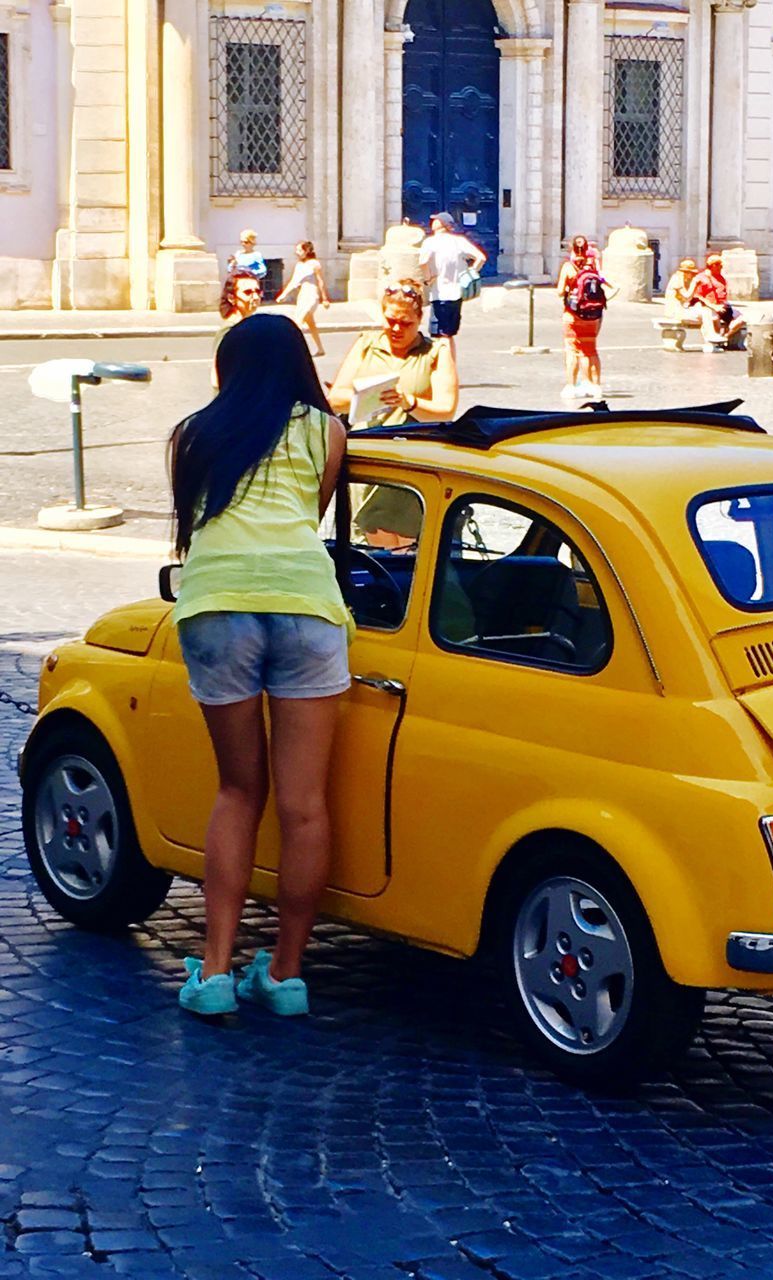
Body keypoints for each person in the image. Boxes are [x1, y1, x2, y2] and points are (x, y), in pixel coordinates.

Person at [169, 313, 352, 1019]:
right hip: (305, 603)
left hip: (217, 604)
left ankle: (213, 973)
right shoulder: (326, 430)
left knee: (238, 790)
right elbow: (310, 514)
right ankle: (285, 973)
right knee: (305, 805)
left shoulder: (193, 433)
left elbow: (194, 522)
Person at [328, 279, 458, 427]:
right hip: (363, 442)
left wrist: (408, 402)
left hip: (409, 444)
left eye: (406, 323)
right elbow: (335, 400)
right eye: (391, 321)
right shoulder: (365, 344)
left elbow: (447, 411)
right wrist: (370, 397)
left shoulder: (436, 352)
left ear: (419, 318)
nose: (396, 329)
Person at [418, 212, 487, 352]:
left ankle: (442, 365)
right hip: (456, 293)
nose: (432, 222)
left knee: (438, 335)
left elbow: (423, 262)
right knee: (449, 335)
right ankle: (451, 362)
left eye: (435, 220)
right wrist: (471, 273)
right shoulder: (459, 241)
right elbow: (481, 258)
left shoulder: (430, 242)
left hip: (439, 293)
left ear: (442, 224)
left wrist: (428, 279)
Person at [557, 235, 608, 398]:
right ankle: (594, 386)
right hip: (592, 315)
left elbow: (560, 291)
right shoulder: (591, 266)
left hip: (572, 315)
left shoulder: (568, 267)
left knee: (572, 350)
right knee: (590, 351)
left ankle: (571, 386)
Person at [275, 240, 331, 358]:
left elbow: (320, 281)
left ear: (307, 251)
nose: (297, 252)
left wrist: (324, 298)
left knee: (298, 322)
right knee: (311, 324)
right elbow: (294, 282)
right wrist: (284, 294)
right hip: (302, 295)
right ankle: (320, 349)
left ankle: (290, 349)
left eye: (300, 250)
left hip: (312, 295)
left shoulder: (315, 264)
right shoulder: (299, 265)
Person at [211, 270, 262, 388]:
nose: (255, 297)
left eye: (257, 291)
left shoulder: (248, 325)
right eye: (247, 292)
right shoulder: (230, 330)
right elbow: (216, 377)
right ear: (232, 298)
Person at [690, 254, 746, 350]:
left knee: (742, 319)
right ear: (713, 265)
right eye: (720, 266)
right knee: (714, 318)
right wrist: (714, 306)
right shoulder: (702, 278)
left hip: (723, 305)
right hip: (708, 306)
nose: (722, 268)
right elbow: (698, 296)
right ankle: (716, 340)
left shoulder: (721, 277)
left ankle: (725, 337)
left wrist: (723, 305)